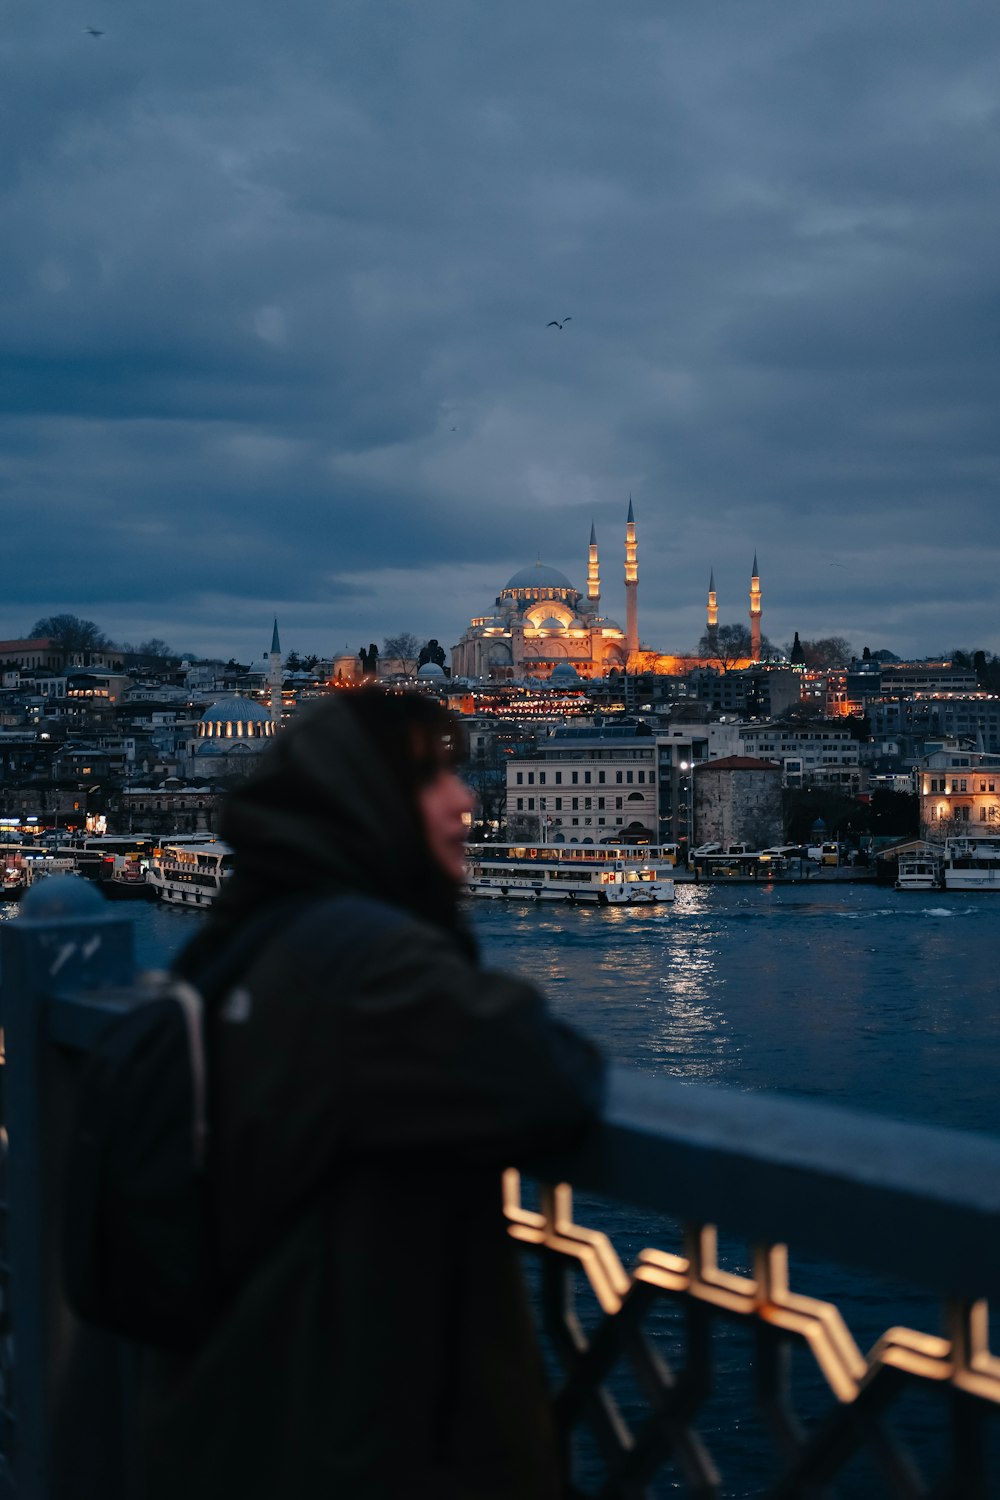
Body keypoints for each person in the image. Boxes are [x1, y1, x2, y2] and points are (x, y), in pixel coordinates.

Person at [141, 689, 604, 1500]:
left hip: (233, 1408)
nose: (465, 801)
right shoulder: (361, 961)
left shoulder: (237, 942)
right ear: (370, 804)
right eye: (434, 782)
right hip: (353, 1433)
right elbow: (547, 1075)